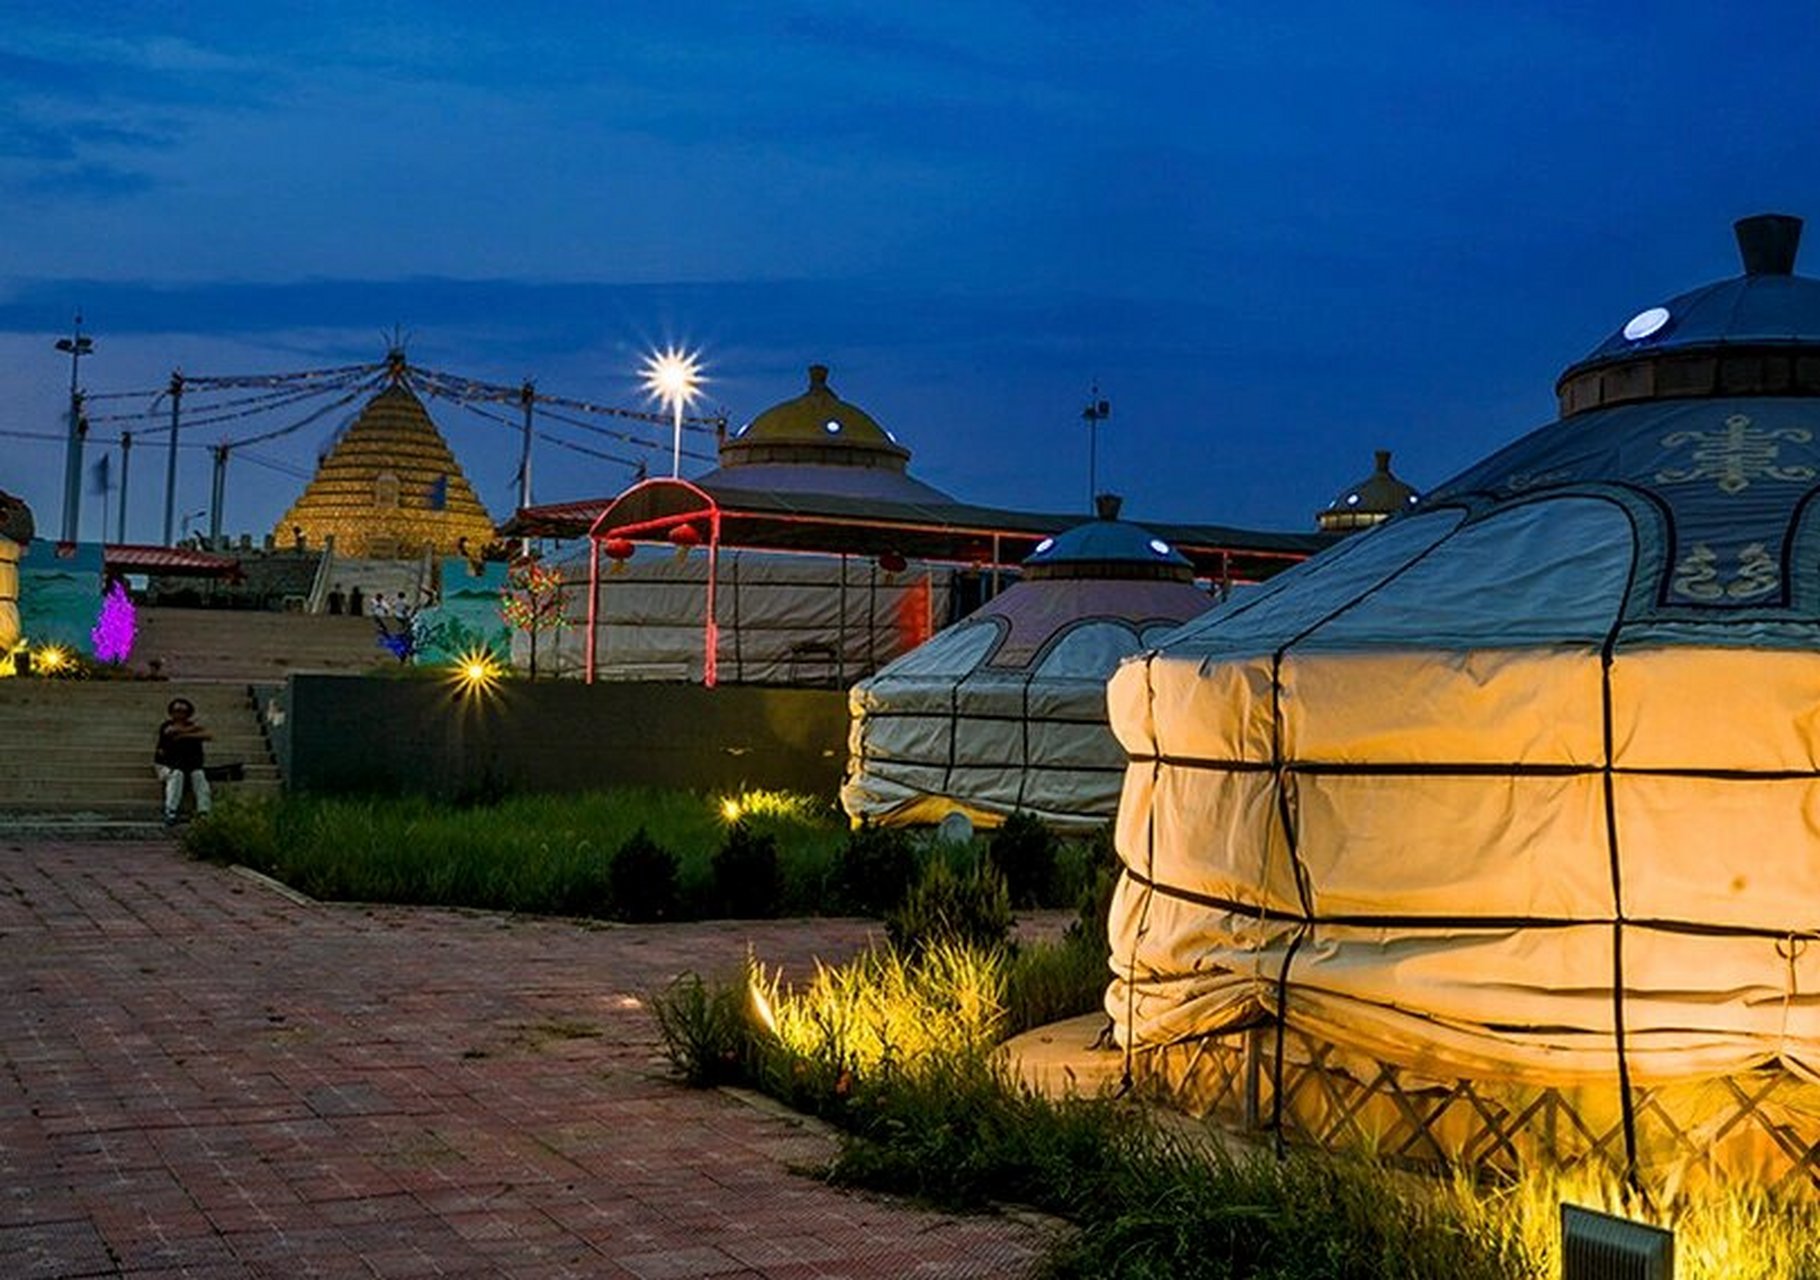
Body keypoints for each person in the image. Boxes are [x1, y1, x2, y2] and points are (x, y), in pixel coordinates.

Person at [154, 697, 213, 827]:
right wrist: (193, 730)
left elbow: (209, 735)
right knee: (177, 775)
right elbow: (171, 731)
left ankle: (204, 811)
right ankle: (171, 811)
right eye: (176, 711)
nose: (179, 714)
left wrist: (184, 735)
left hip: (190, 766)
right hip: (166, 766)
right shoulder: (166, 726)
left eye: (183, 711)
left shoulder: (190, 727)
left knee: (199, 775)